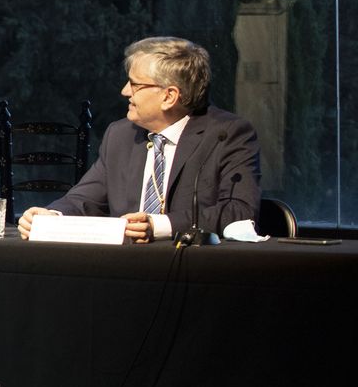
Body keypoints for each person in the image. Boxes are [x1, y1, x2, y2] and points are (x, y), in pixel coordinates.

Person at [18, 36, 261, 243]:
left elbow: (239, 211)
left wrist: (159, 225)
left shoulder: (227, 135)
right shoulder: (120, 135)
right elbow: (84, 200)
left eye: (135, 84)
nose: (125, 91)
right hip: (126, 269)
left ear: (169, 96)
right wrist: (51, 216)